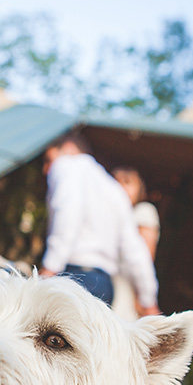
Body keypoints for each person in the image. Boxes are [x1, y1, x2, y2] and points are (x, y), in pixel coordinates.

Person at [39, 134, 160, 316]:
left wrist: (48, 270)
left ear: (70, 148)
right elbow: (135, 249)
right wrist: (149, 300)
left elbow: (67, 213)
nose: (46, 169)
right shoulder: (114, 189)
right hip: (105, 288)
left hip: (74, 279)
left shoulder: (67, 166)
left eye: (48, 159)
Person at [111, 167, 161, 321]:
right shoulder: (113, 216)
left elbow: (145, 256)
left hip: (128, 288)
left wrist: (143, 298)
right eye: (117, 183)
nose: (122, 188)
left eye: (128, 182)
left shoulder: (143, 212)